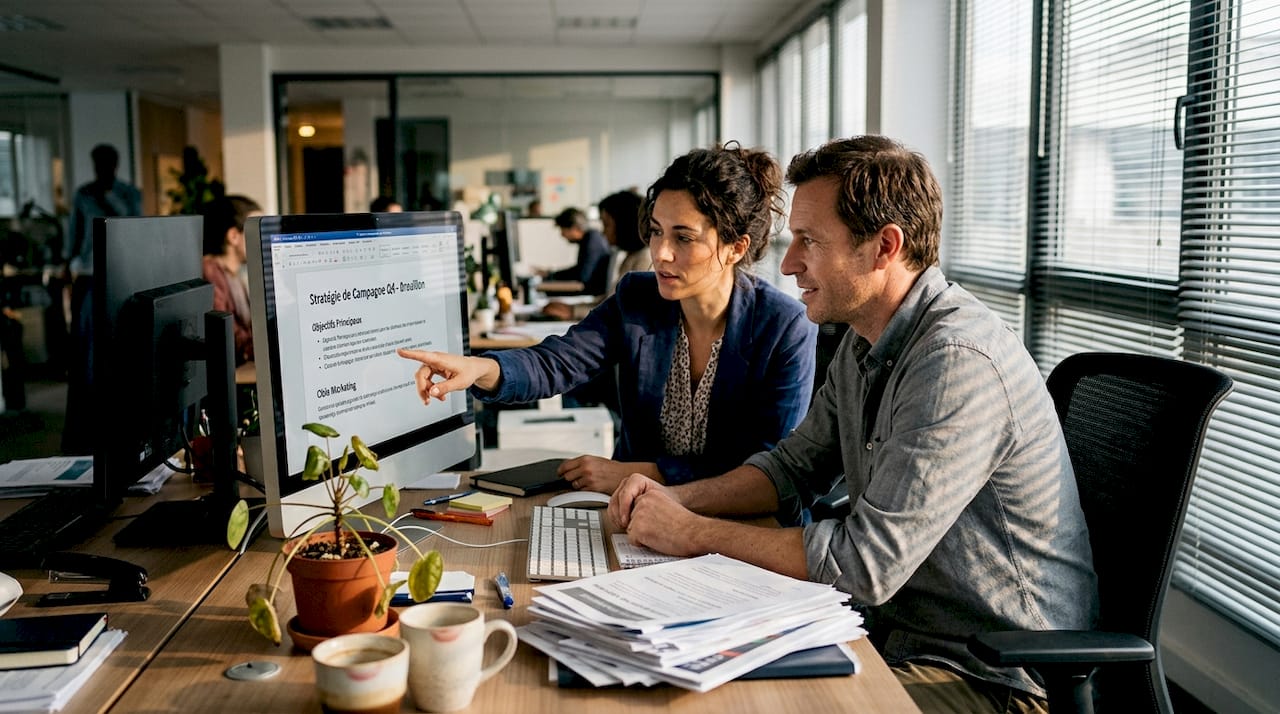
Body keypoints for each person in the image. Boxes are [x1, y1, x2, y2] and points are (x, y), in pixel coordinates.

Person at [609, 136, 1098, 713]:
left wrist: (690, 533)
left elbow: (863, 566)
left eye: (809, 242)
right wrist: (675, 502)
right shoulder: (866, 341)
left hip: (989, 673)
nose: (788, 263)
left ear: (884, 247)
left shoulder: (954, 362)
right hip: (896, 635)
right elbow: (792, 469)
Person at [399, 143, 817, 494]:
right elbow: (558, 362)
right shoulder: (640, 296)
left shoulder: (782, 328)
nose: (661, 253)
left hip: (738, 525)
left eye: (683, 237)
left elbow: (766, 472)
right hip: (637, 513)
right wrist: (481, 368)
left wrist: (644, 473)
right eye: (656, 231)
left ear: (735, 248)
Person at [62, 143, 142, 452]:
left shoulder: (128, 194)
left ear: (115, 164)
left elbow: (134, 228)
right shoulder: (83, 194)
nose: (102, 170)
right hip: (87, 276)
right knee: (85, 354)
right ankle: (83, 433)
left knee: (113, 351)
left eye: (107, 164)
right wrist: (66, 265)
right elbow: (75, 234)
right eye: (98, 164)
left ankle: (115, 426)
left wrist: (108, 198)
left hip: (119, 275)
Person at [540, 189, 649, 320]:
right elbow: (612, 301)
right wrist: (573, 309)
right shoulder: (631, 257)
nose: (603, 233)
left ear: (624, 224)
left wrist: (574, 311)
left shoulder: (644, 259)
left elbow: (626, 312)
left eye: (606, 225)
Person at [200, 194, 263, 365]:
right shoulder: (209, 272)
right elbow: (230, 338)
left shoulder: (235, 274)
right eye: (257, 231)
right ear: (234, 236)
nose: (263, 239)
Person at [543, 207, 611, 296]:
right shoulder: (590, 238)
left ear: (574, 228)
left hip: (594, 294)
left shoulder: (592, 241)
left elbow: (582, 275)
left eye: (563, 230)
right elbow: (580, 270)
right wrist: (552, 274)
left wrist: (553, 275)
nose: (562, 235)